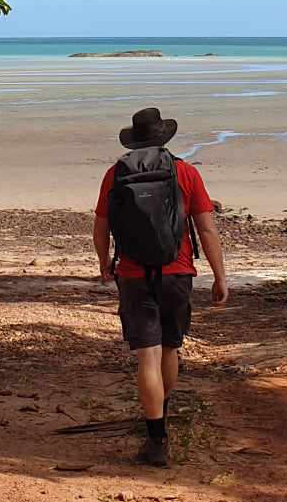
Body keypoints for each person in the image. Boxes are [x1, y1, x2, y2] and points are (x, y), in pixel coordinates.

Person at [94, 105, 228, 468]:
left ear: (135, 140)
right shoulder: (184, 172)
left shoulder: (116, 173)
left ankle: (156, 439)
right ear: (164, 137)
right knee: (170, 349)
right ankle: (160, 414)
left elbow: (101, 226)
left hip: (135, 275)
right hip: (177, 273)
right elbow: (206, 228)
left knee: (147, 356)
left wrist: (105, 262)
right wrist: (220, 275)